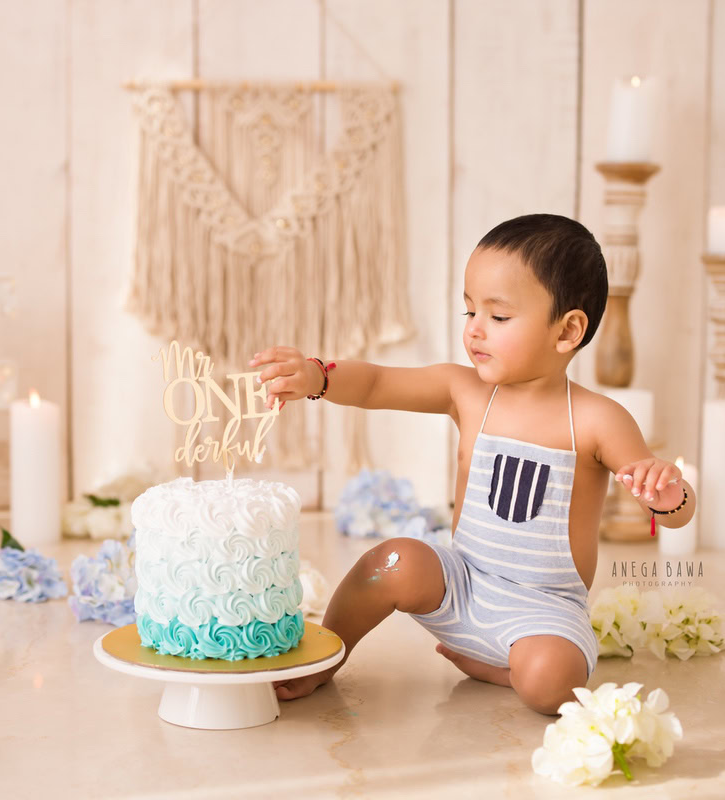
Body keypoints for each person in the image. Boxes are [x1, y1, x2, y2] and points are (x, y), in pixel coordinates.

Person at [249, 213, 697, 715]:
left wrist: (668, 495)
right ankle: (329, 652)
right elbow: (376, 383)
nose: (476, 331)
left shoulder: (598, 419)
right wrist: (318, 376)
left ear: (567, 330)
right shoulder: (465, 391)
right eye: (469, 313)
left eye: (498, 317)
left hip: (543, 610)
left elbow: (675, 514)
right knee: (394, 559)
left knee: (553, 686)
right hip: (461, 582)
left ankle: (505, 671)